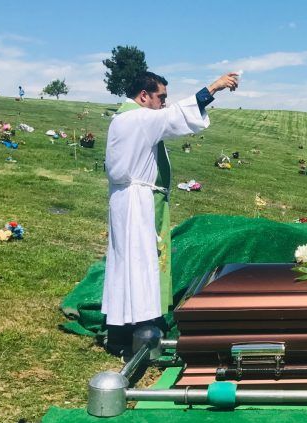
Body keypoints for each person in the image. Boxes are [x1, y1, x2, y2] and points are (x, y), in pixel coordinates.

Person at [102, 71, 239, 356]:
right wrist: (212, 88)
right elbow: (176, 116)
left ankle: (120, 331)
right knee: (138, 264)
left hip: (130, 200)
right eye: (160, 97)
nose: (164, 103)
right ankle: (139, 331)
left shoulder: (125, 119)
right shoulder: (136, 119)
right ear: (143, 96)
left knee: (126, 264)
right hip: (136, 203)